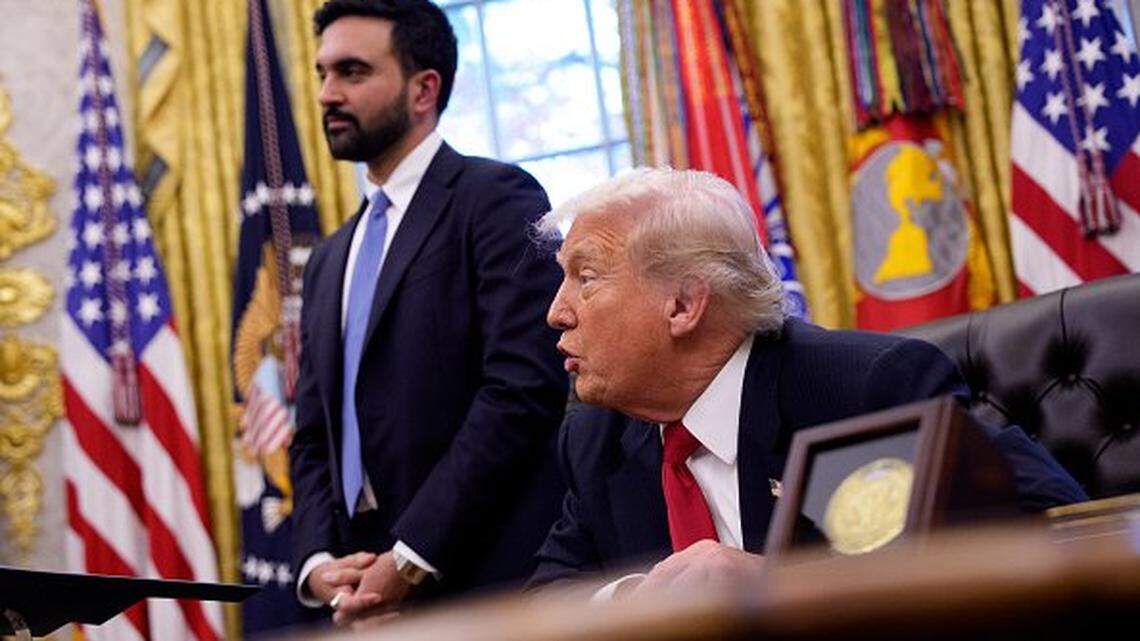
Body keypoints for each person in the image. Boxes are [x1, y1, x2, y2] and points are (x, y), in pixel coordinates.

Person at [527, 168, 1086, 597]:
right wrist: (636, 598)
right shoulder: (597, 440)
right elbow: (549, 600)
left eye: (586, 277)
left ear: (683, 305)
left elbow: (1060, 524)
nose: (557, 312)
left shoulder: (859, 392)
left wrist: (777, 586)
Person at [290, 0, 567, 626]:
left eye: (353, 72)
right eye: (323, 74)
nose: (328, 94)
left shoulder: (497, 198)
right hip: (357, 593)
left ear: (424, 89)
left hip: (485, 581)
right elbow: (312, 433)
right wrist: (317, 563)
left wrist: (411, 557)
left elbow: (523, 388)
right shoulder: (332, 256)